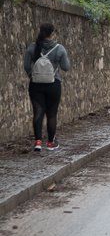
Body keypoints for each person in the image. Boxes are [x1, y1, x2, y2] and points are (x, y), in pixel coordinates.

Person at [23, 23, 70, 152]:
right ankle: (50, 142)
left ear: (40, 31)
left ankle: (38, 142)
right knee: (52, 114)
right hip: (54, 85)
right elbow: (66, 67)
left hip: (35, 85)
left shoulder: (32, 47)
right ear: (52, 33)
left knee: (38, 112)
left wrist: (34, 76)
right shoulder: (59, 48)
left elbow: (26, 66)